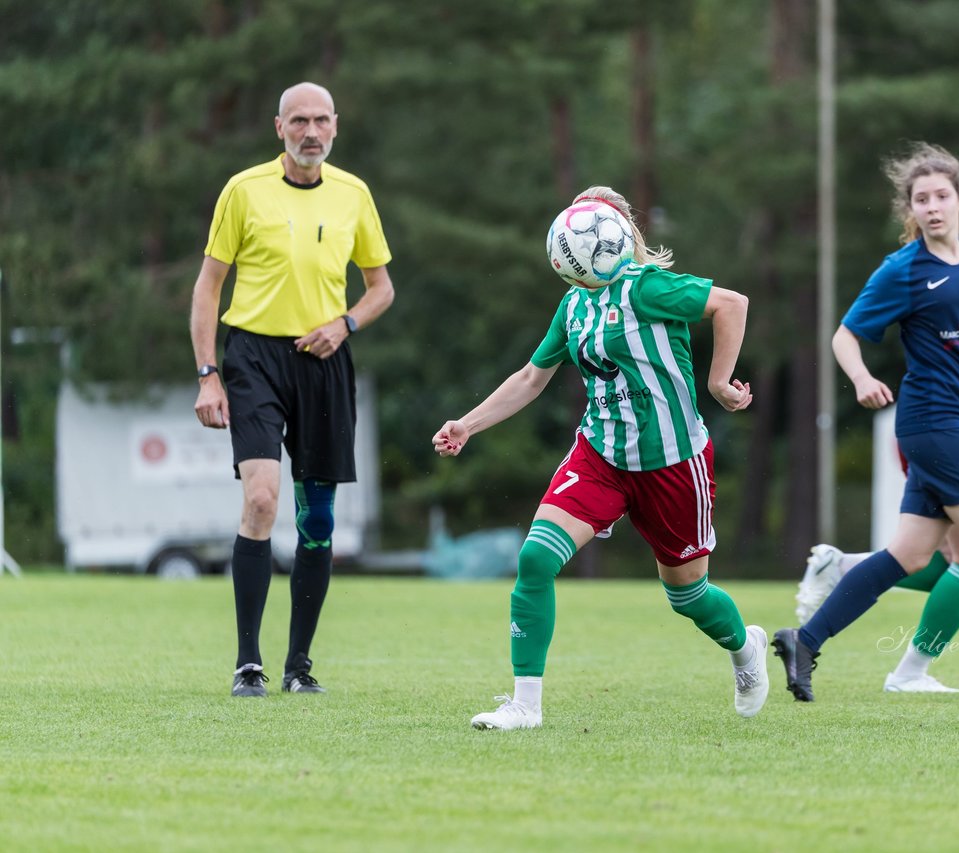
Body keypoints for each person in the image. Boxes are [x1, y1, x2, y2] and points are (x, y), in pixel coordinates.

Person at [433, 186, 767, 731]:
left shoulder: (648, 286)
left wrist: (719, 381)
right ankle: (525, 706)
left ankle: (745, 651)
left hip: (674, 462)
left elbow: (731, 304)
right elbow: (530, 378)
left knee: (689, 597)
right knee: (536, 560)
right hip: (601, 456)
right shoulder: (574, 305)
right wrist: (467, 424)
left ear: (614, 231)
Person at [772, 143, 959, 703]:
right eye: (921, 199)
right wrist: (863, 378)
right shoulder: (903, 270)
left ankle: (805, 639)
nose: (932, 207)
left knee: (912, 555)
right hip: (931, 419)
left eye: (941, 196)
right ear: (910, 210)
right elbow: (845, 336)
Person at [190, 82, 395, 697]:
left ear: (337, 125)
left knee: (319, 521)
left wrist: (346, 323)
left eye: (322, 120)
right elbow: (208, 287)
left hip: (324, 359)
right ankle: (247, 663)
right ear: (278, 126)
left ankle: (298, 667)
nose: (312, 131)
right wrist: (208, 373)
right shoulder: (244, 190)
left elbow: (381, 287)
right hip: (253, 356)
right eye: (299, 120)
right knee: (260, 501)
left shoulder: (354, 194)